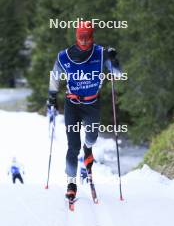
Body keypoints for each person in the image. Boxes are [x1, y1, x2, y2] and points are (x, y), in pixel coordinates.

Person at [47, 21, 121, 200]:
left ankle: (88, 150)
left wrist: (113, 59)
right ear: (76, 36)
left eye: (88, 37)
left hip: (92, 104)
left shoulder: (101, 53)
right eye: (82, 37)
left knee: (91, 138)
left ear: (92, 36)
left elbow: (117, 74)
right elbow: (55, 76)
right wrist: (52, 97)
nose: (85, 41)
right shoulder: (64, 56)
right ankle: (71, 183)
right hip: (72, 105)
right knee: (73, 147)